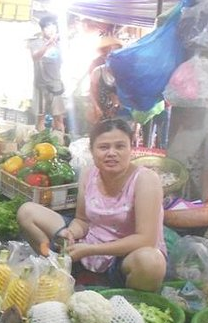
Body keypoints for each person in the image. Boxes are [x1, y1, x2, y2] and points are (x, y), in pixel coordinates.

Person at [17, 118, 167, 291]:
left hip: (126, 255)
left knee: (151, 262)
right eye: (104, 147)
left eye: (120, 146)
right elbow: (82, 220)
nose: (112, 153)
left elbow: (146, 239)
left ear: (131, 149)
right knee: (26, 212)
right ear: (92, 151)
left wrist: (90, 250)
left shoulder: (145, 180)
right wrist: (71, 232)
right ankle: (52, 263)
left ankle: (127, 299)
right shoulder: (89, 174)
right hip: (89, 244)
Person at [29, 15, 66, 133]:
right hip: (40, 85)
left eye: (54, 27)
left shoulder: (60, 45)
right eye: (48, 27)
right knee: (41, 117)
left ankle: (60, 141)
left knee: (59, 117)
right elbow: (35, 57)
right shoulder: (36, 43)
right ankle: (40, 141)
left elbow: (62, 62)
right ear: (42, 29)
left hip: (56, 85)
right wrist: (48, 44)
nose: (51, 30)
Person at [88, 36, 124, 124]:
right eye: (108, 51)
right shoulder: (97, 71)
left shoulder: (123, 72)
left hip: (120, 114)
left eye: (115, 50)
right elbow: (92, 92)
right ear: (104, 55)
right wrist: (96, 108)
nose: (111, 53)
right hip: (101, 113)